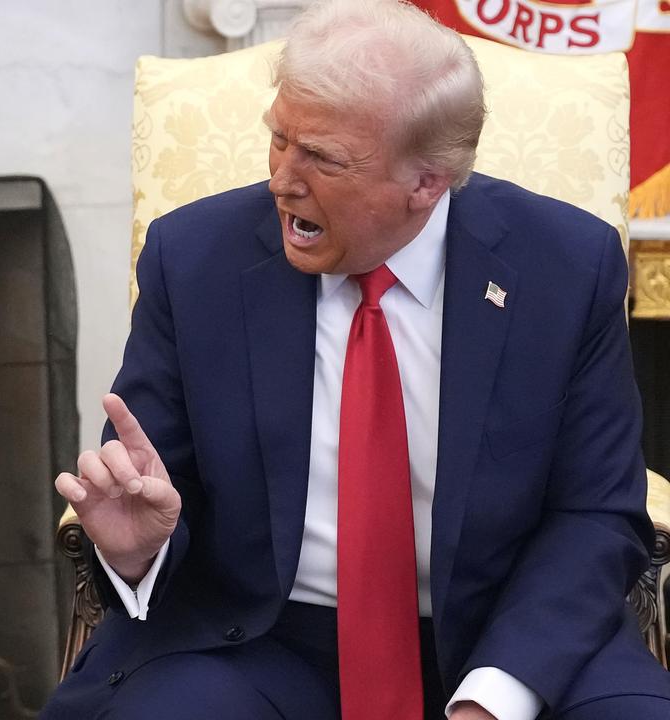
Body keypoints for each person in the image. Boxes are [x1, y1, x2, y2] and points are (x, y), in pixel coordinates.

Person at [44, 1, 670, 719]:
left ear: (427, 182)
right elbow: (152, 484)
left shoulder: (564, 265)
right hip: (255, 637)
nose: (282, 179)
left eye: (323, 158)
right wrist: (138, 551)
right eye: (279, 140)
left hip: (509, 632)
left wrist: (496, 697)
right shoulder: (196, 258)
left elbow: (595, 511)